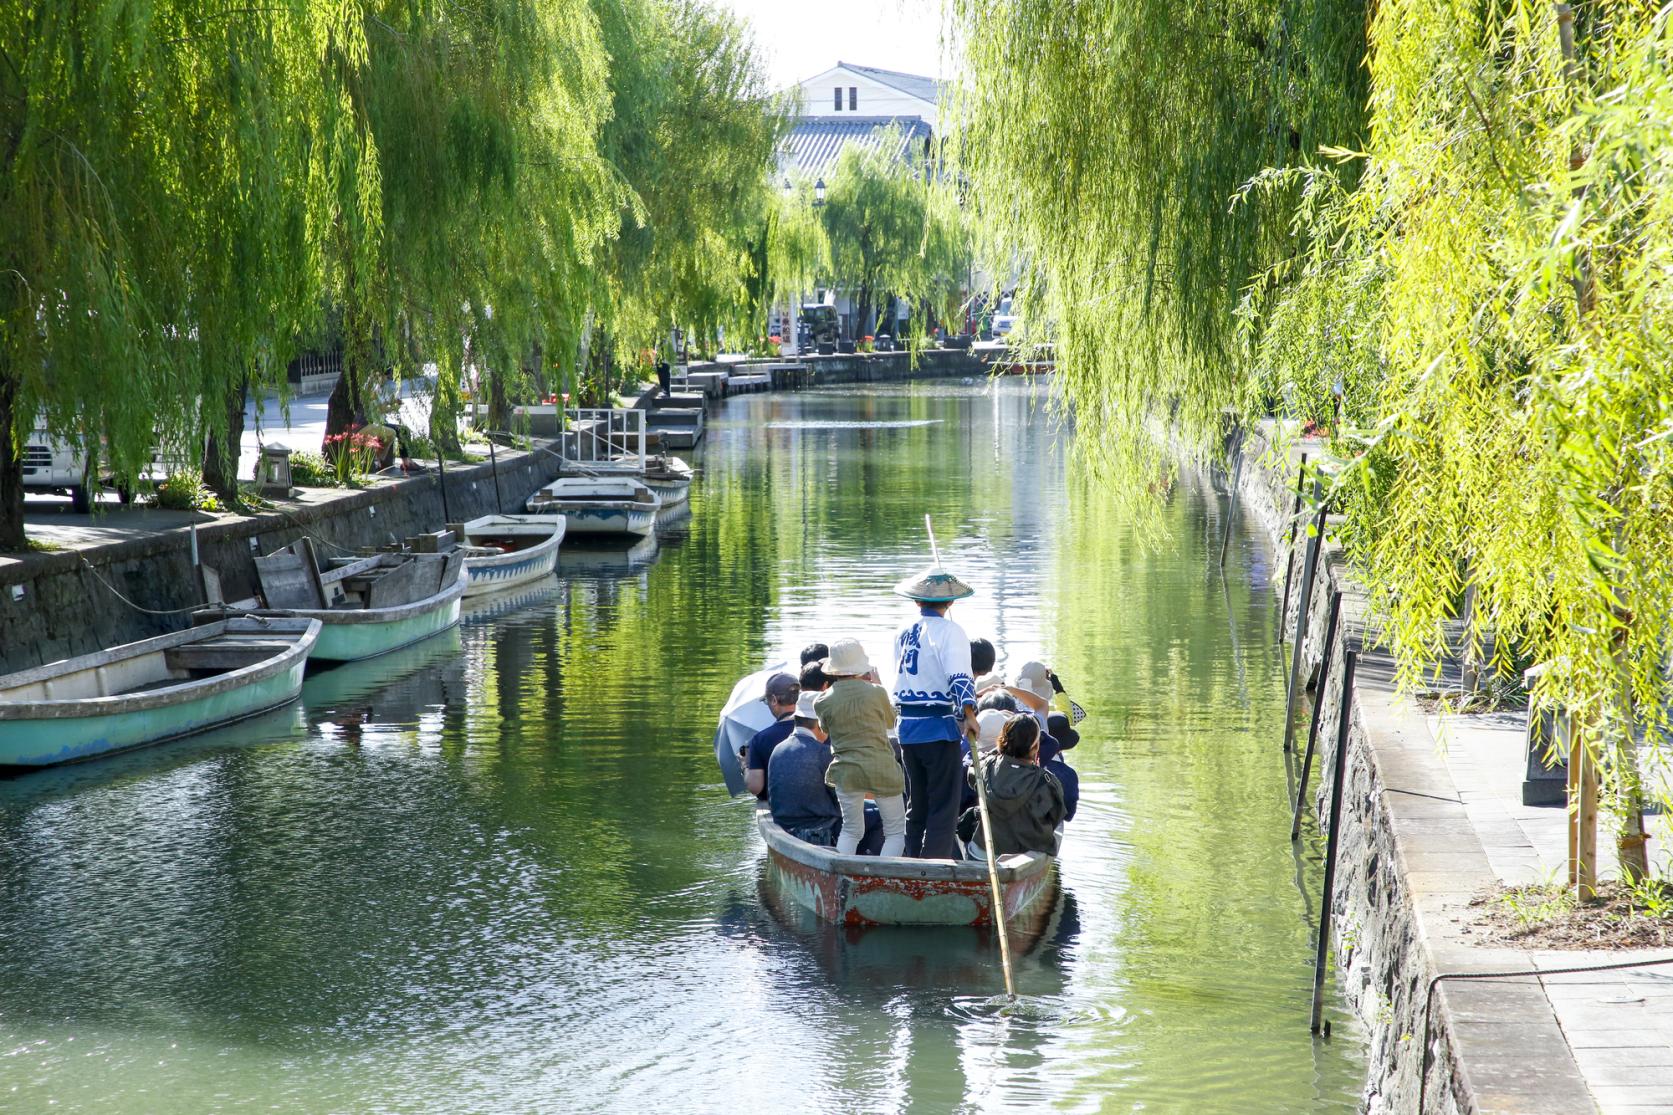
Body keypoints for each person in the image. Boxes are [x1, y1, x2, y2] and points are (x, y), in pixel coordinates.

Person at [891, 561, 978, 859]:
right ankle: (933, 866)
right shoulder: (951, 631)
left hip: (907, 728)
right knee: (944, 805)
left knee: (917, 803)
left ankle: (912, 858)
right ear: (950, 601)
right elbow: (959, 678)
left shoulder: (902, 632)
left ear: (917, 600)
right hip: (937, 728)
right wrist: (970, 715)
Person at [814, 639, 907, 858]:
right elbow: (891, 721)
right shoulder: (876, 692)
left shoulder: (822, 701)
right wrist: (879, 685)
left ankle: (841, 875)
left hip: (846, 771)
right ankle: (884, 877)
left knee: (851, 830)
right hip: (881, 767)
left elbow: (825, 729)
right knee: (895, 832)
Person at [967, 714, 1066, 858]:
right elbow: (1056, 817)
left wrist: (997, 751)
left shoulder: (985, 767)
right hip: (1027, 853)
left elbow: (971, 776)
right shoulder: (1047, 782)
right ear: (1036, 746)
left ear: (1002, 741)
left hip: (983, 853)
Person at [766, 691, 843, 846]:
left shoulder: (777, 750)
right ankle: (870, 866)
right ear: (821, 723)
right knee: (877, 816)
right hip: (822, 831)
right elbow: (843, 799)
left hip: (784, 829)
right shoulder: (823, 753)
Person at [744, 671, 800, 799]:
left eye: (767, 701)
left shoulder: (760, 740)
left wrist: (745, 764)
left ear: (774, 700)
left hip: (779, 811)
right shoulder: (817, 729)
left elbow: (755, 787)